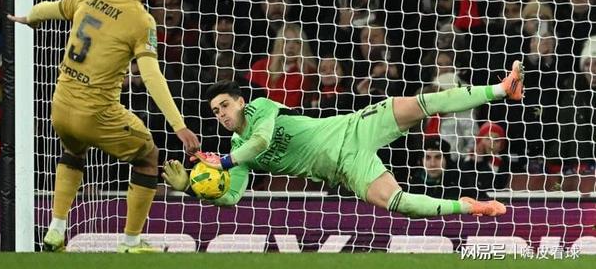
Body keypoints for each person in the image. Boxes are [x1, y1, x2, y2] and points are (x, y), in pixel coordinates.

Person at [8, 0, 200, 253]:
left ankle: (56, 230)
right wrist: (179, 125)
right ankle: (131, 242)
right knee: (149, 156)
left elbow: (48, 9)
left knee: (74, 151)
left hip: (60, 107)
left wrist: (29, 18)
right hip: (96, 114)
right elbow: (151, 75)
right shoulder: (142, 20)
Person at [162, 61, 525, 219]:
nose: (222, 114)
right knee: (399, 203)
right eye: (215, 111)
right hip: (345, 167)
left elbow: (260, 141)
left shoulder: (260, 109)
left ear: (240, 101)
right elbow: (231, 197)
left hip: (353, 127)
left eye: (225, 105)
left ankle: (502, 88)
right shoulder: (238, 153)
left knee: (421, 104)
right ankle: (470, 206)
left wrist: (223, 162)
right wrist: (191, 188)